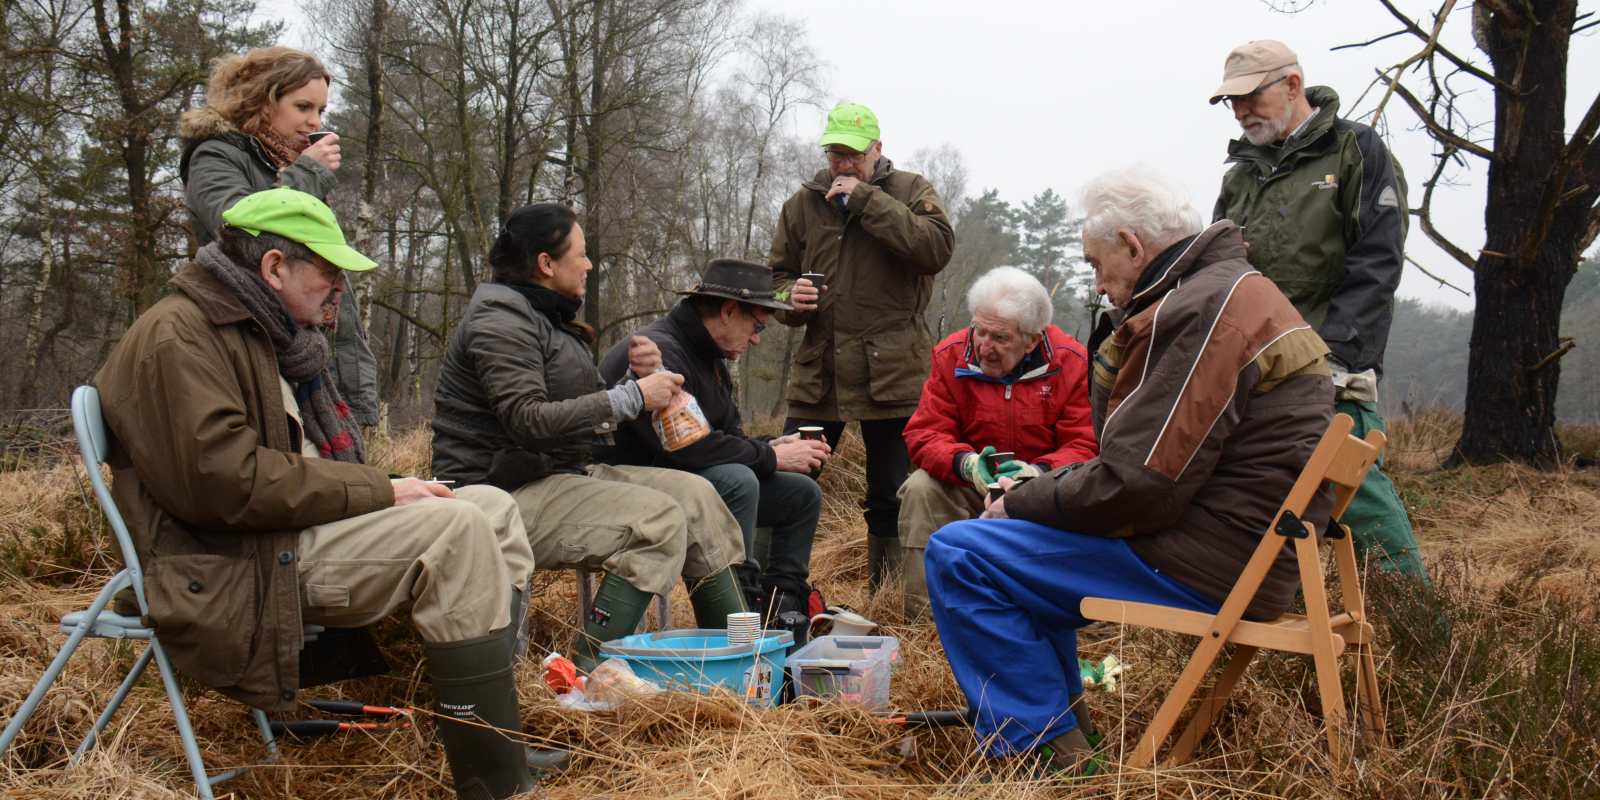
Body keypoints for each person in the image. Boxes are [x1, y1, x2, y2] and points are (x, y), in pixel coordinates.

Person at [91, 188, 544, 799]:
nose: (339, 288)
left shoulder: (265, 332)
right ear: (274, 268)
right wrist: (378, 490)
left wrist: (380, 491)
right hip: (230, 561)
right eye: (328, 272)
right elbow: (226, 485)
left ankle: (486, 731)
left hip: (284, 532)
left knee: (490, 505)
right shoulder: (180, 338)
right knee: (457, 530)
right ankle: (493, 782)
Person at [927, 165, 1336, 776]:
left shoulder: (1203, 310)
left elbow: (1142, 486)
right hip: (1246, 554)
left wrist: (1021, 499)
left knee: (962, 552)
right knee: (1000, 554)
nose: (1099, 286)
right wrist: (1042, 493)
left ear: (1133, 246)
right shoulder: (1233, 291)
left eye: (1096, 265)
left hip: (1211, 562)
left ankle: (1041, 754)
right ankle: (1060, 736)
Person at [430, 203, 747, 672]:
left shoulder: (547, 317)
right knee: (655, 521)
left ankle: (737, 667)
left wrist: (641, 386)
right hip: (498, 490)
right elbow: (527, 421)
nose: (589, 264)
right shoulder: (499, 320)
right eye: (581, 254)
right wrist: (633, 399)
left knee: (698, 498)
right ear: (546, 264)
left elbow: (577, 413)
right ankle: (587, 682)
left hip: (555, 473)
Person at [1210, 40, 1423, 577]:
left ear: (1292, 86)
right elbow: (1217, 271)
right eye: (1229, 102)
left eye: (1249, 96)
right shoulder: (1239, 174)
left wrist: (1339, 359)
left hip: (1330, 365)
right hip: (1257, 366)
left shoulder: (1357, 150)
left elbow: (1377, 260)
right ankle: (1286, 621)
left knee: (1359, 498)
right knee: (1266, 500)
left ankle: (1422, 625)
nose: (1238, 111)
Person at [767, 102, 955, 592]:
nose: (843, 165)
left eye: (853, 155)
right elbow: (776, 279)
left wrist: (866, 201)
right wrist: (791, 298)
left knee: (891, 494)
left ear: (877, 150)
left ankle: (890, 601)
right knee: (786, 478)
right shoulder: (802, 203)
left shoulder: (912, 191)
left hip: (893, 372)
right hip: (820, 369)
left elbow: (934, 251)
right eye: (835, 154)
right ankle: (768, 595)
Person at [594, 259, 831, 621]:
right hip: (625, 484)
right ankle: (735, 613)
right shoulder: (663, 351)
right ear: (728, 310)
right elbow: (690, 446)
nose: (755, 338)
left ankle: (784, 610)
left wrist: (771, 446)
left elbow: (725, 434)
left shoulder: (711, 357)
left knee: (802, 494)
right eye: (757, 327)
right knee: (737, 481)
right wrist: (768, 457)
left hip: (679, 476)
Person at [179, 46, 378, 429]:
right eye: (303, 107)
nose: (314, 121)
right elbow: (239, 226)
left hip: (310, 348)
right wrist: (308, 175)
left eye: (320, 111)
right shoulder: (214, 156)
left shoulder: (284, 161)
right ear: (263, 100)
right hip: (255, 344)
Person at [897, 266, 1098, 618]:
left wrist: (1038, 474)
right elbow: (925, 433)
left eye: (1001, 338)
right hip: (972, 484)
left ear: (1033, 339)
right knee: (921, 489)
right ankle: (925, 623)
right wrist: (967, 464)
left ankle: (1076, 617)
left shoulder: (1072, 362)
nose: (984, 347)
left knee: (1092, 496)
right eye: (980, 330)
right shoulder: (951, 355)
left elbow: (1084, 443)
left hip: (1044, 488)